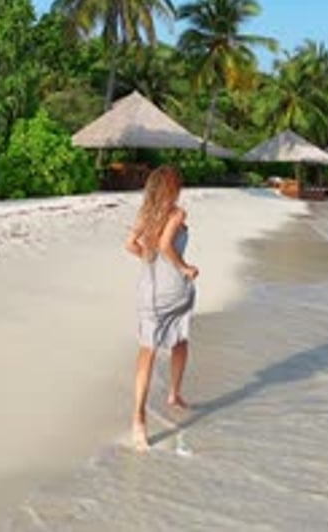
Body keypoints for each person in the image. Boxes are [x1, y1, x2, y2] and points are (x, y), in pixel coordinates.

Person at [125, 165, 199, 450]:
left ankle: (138, 420)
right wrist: (184, 267)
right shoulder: (178, 214)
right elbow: (168, 243)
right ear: (173, 188)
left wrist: (147, 256)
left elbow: (130, 244)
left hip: (149, 292)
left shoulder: (145, 215)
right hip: (175, 290)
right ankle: (174, 393)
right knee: (180, 339)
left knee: (147, 353)